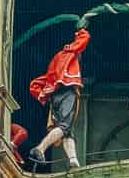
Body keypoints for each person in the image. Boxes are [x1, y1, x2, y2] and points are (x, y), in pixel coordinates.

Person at [28, 28, 91, 169]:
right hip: (68, 91)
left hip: (55, 97)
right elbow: (85, 38)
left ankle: (73, 160)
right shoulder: (69, 53)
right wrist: (80, 31)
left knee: (67, 130)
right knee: (65, 126)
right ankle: (40, 148)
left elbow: (34, 85)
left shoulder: (53, 64)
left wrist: (43, 95)